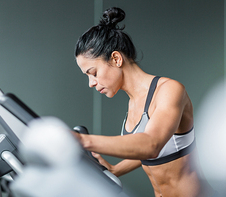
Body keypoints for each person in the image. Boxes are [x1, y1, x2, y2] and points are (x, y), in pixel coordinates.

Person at [74, 7, 214, 197]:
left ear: (116, 58)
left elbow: (152, 144)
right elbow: (155, 148)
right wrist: (116, 169)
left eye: (93, 73)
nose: (91, 83)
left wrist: (82, 141)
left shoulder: (169, 90)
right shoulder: (133, 102)